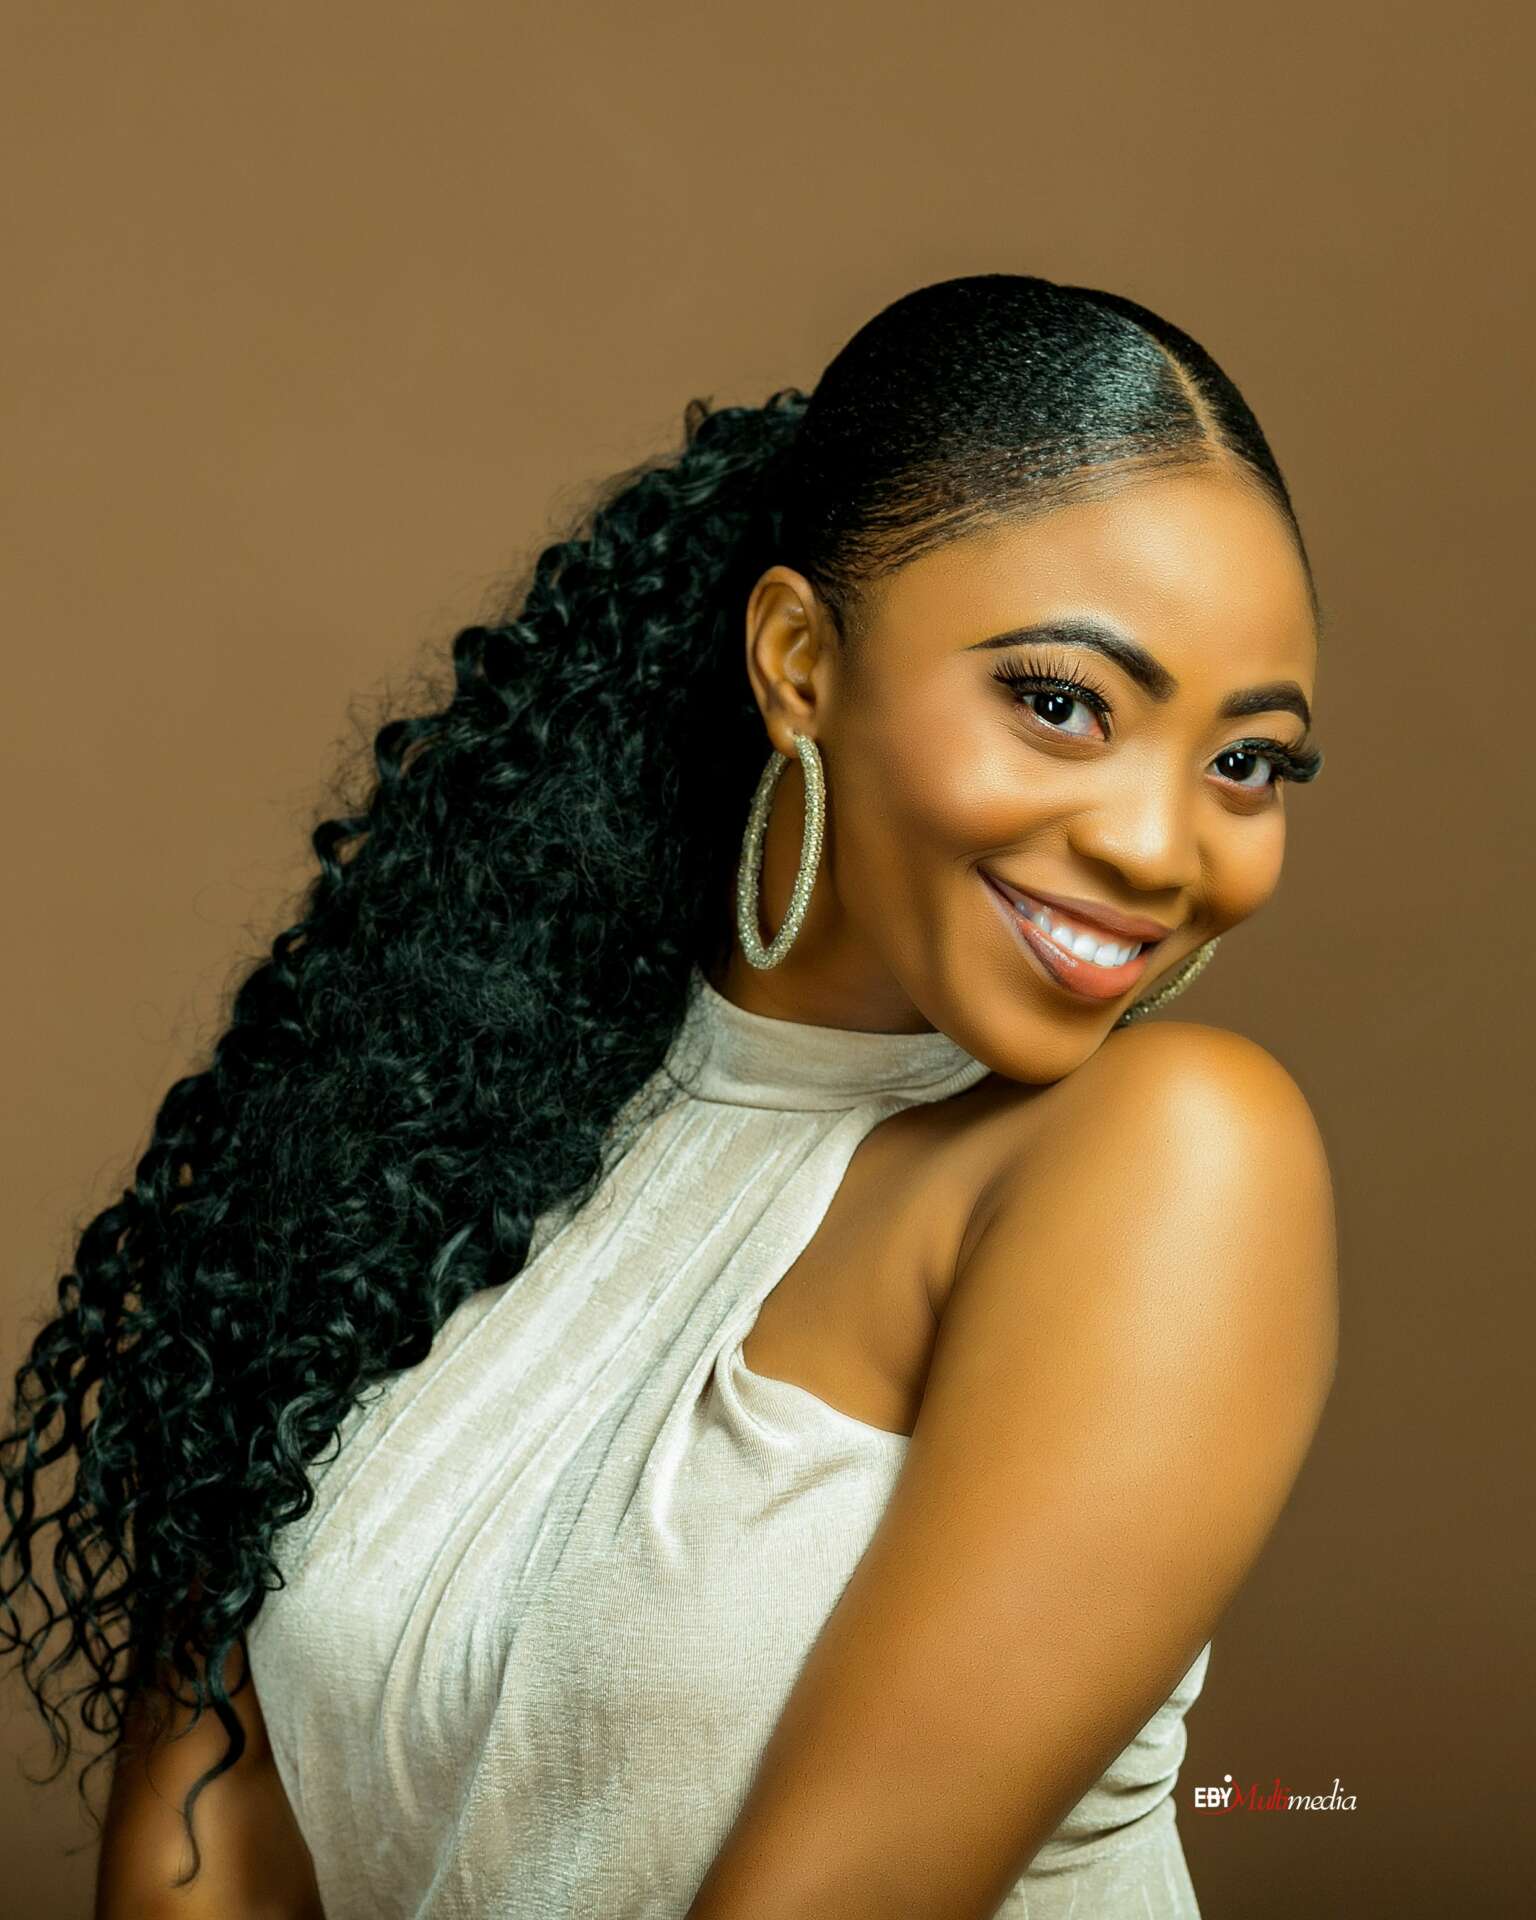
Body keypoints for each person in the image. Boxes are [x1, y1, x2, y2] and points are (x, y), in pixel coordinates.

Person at [3, 272, 1337, 1920]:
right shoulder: (417, 1146)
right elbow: (208, 1855)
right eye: (1062, 704)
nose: (1156, 844)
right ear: (799, 661)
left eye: (1246, 763)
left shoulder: (1171, 1161)